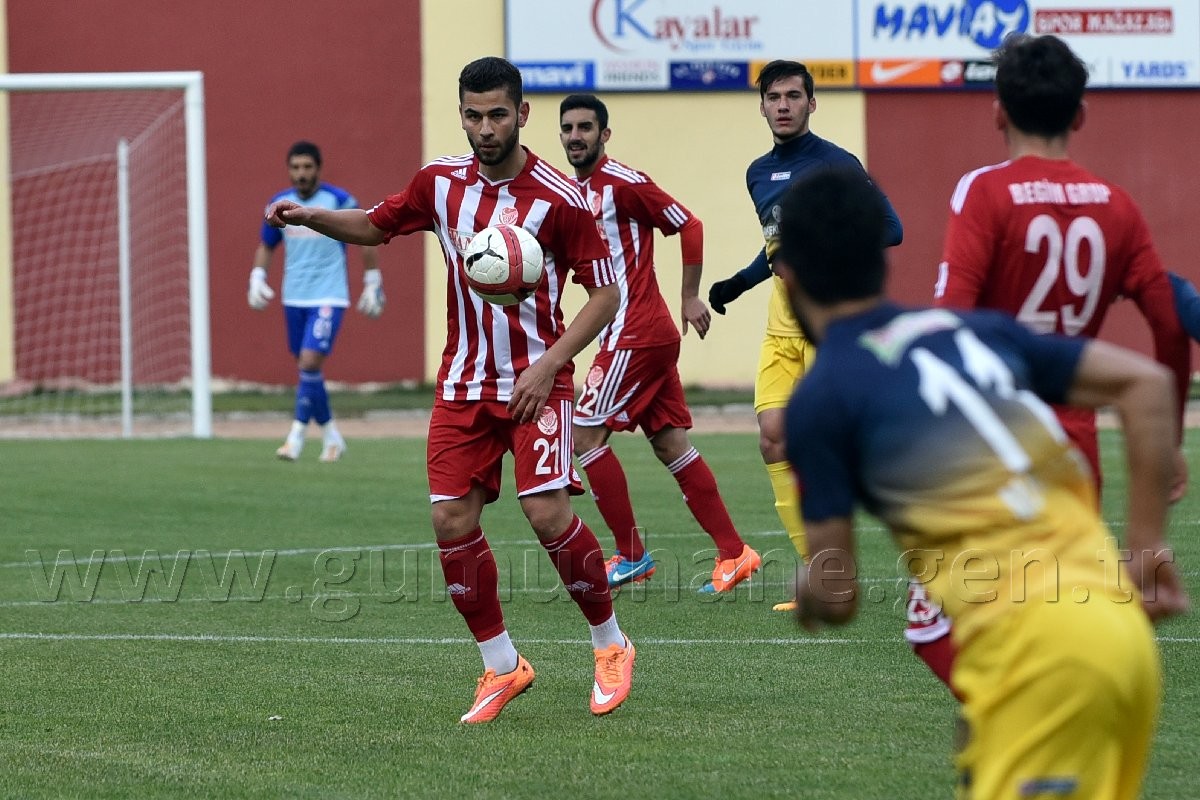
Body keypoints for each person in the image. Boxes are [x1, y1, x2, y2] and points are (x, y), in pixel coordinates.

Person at [777, 166, 1188, 800]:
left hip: (1040, 661)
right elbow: (1147, 386)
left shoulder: (822, 397)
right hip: (1118, 635)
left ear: (791, 279)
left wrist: (806, 588)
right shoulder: (974, 333)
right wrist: (1148, 546)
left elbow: (838, 596)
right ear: (879, 262)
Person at [265, 57, 635, 724]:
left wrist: (550, 364)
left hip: (535, 382)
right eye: (473, 114)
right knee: (449, 521)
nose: (484, 127)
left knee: (547, 512)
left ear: (522, 115)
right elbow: (377, 224)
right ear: (461, 113)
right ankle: (501, 665)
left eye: (498, 114)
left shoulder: (564, 199)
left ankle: (610, 646)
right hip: (463, 383)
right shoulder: (438, 184)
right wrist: (311, 219)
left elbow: (606, 294)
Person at [922, 32, 1190, 686]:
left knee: (933, 623)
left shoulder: (983, 193)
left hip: (995, 443)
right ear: (1080, 114)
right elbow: (1170, 325)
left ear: (997, 111)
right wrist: (1169, 440)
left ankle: (1031, 727)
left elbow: (952, 321)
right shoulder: (1118, 207)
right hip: (1075, 451)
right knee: (1051, 616)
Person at [706, 60, 903, 610]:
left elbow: (891, 229)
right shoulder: (757, 173)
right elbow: (779, 247)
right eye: (775, 97)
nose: (785, 105)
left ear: (812, 103)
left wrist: (828, 244)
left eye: (795, 95)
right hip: (780, 327)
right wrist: (740, 283)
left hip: (827, 329)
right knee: (772, 437)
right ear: (763, 105)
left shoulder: (837, 164)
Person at [557, 93, 761, 593]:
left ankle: (630, 555)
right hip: (633, 335)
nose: (576, 136)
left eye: (586, 127)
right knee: (671, 444)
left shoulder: (624, 185)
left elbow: (688, 224)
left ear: (605, 134)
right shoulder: (568, 191)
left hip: (636, 333)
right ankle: (735, 553)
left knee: (583, 436)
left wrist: (690, 296)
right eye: (568, 128)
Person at [248, 140, 385, 463]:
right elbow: (267, 244)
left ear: (319, 169)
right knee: (308, 372)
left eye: (307, 167)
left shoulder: (338, 200)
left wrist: (372, 281)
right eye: (295, 168)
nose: (301, 174)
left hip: (329, 296)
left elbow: (367, 233)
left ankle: (295, 438)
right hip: (294, 297)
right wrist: (257, 275)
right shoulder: (279, 204)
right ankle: (332, 437)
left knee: (309, 363)